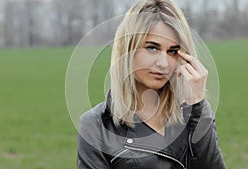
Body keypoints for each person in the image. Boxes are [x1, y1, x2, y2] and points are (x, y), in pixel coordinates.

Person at [77, 0, 225, 168]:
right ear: (127, 49)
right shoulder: (97, 125)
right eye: (152, 48)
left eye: (173, 51)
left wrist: (198, 104)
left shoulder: (194, 113)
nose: (163, 63)